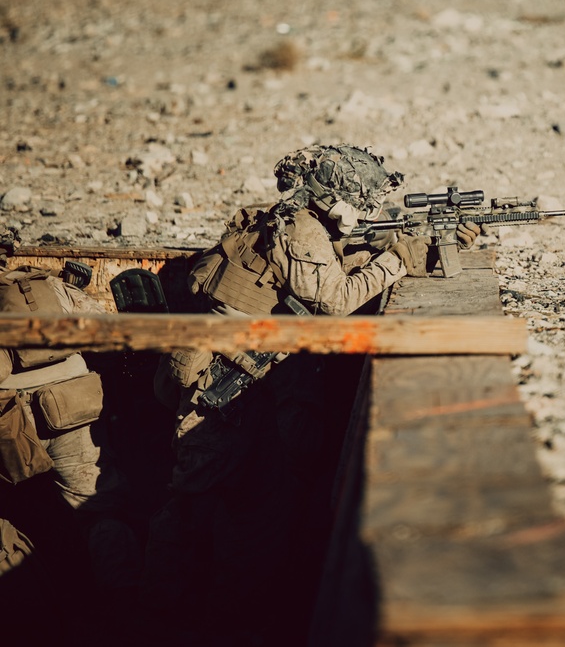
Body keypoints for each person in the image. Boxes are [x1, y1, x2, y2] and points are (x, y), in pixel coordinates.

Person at [143, 144, 480, 641]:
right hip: (222, 384)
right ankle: (162, 617)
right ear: (331, 196)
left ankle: (237, 615)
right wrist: (398, 262)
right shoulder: (300, 230)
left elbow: (337, 264)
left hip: (262, 377)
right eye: (358, 199)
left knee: (264, 508)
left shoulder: (305, 223)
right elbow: (335, 301)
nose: (366, 209)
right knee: (194, 504)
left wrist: (422, 244)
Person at [0, 259, 143, 641]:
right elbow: (108, 335)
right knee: (98, 508)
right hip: (70, 411)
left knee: (12, 514)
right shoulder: (46, 286)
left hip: (9, 425)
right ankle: (124, 612)